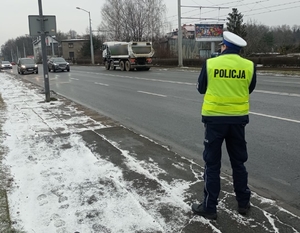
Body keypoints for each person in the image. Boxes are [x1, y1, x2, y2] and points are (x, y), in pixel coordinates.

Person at [192, 31, 257, 220]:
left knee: (212, 165)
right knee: (239, 163)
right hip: (238, 121)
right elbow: (249, 88)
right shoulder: (249, 66)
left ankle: (209, 207)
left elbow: (201, 88)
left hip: (214, 121)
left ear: (225, 47)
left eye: (221, 46)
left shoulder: (211, 64)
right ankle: (243, 203)